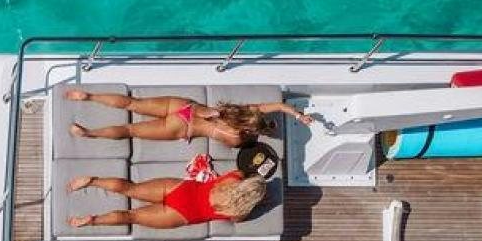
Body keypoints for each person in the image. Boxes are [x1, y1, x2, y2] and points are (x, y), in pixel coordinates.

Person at [64, 91, 315, 149]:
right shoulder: (237, 138)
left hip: (187, 108)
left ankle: (89, 96)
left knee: (133, 103)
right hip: (184, 126)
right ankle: (89, 133)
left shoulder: (244, 109)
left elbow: (279, 105)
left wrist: (298, 115)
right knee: (130, 130)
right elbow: (232, 142)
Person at [66, 171, 267, 230]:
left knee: (131, 188)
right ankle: (91, 220)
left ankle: (93, 181)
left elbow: (241, 171)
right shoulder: (239, 212)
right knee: (131, 216)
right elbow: (236, 220)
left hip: (181, 190)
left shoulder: (234, 178)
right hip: (184, 214)